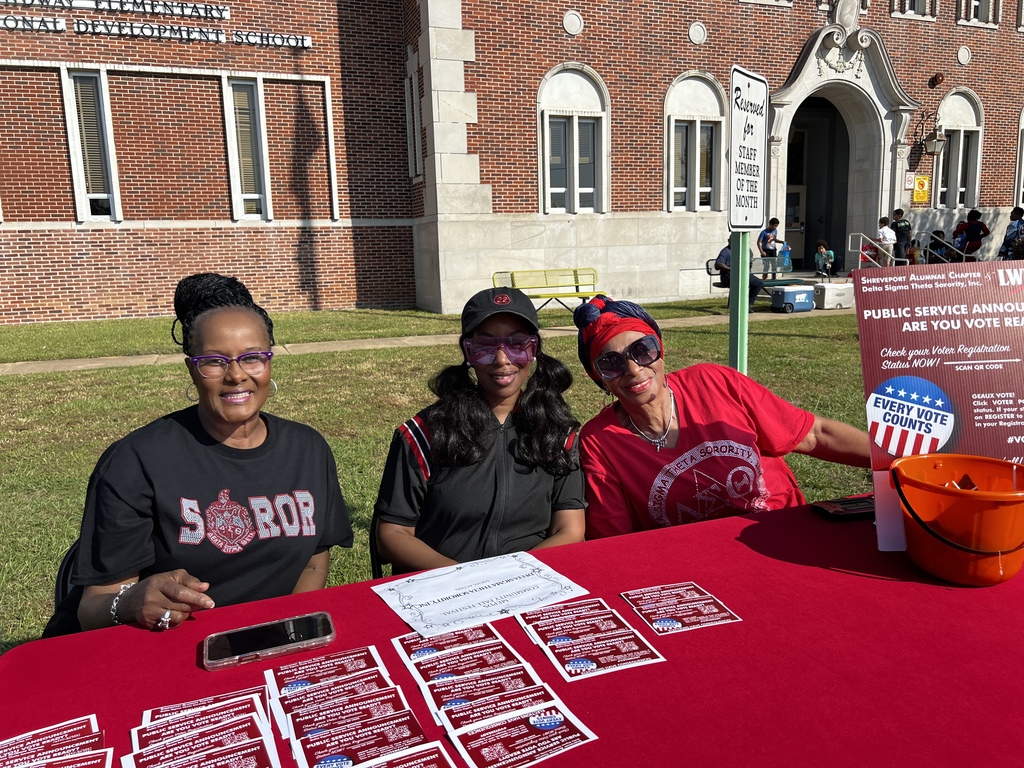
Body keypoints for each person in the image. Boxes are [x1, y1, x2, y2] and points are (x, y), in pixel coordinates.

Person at [43, 273, 354, 636]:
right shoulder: (136, 461)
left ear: (269, 363)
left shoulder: (308, 450)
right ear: (192, 369)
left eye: (253, 358)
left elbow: (314, 563)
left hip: (256, 643)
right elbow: (93, 607)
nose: (236, 375)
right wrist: (132, 601)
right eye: (215, 361)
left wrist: (288, 629)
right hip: (150, 643)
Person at [573, 295, 871, 540]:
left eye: (642, 350)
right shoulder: (600, 442)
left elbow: (813, 434)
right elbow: (616, 542)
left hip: (784, 530)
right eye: (611, 363)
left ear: (660, 351)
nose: (633, 369)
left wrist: (895, 461)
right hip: (700, 563)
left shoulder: (714, 382)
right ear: (599, 378)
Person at [374, 287, 585, 573]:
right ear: (467, 352)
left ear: (534, 350)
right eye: (485, 347)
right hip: (443, 588)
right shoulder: (424, 434)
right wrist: (466, 579)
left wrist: (515, 575)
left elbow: (569, 530)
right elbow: (392, 533)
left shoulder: (557, 433)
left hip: (531, 582)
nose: (501, 359)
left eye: (517, 344)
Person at [714, 241, 764, 310]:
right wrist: (732, 269)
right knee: (741, 282)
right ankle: (738, 305)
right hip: (728, 277)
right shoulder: (726, 251)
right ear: (729, 241)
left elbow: (746, 263)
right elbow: (717, 265)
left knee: (758, 283)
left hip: (743, 275)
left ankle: (748, 304)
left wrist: (748, 265)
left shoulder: (745, 250)